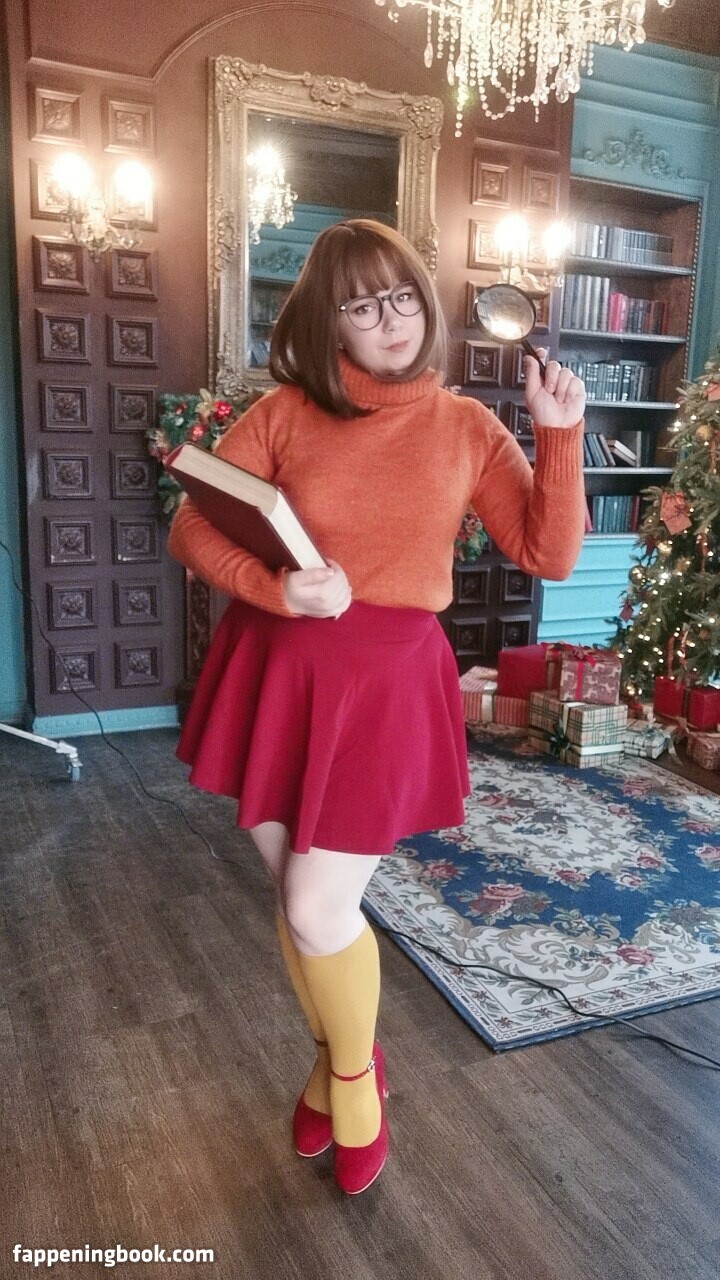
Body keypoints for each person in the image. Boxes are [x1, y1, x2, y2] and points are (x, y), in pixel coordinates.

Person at [167, 219, 587, 1196]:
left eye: (400, 296)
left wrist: (559, 433)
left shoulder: (465, 427)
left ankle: (352, 1084)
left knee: (317, 905)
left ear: (424, 304)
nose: (389, 318)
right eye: (360, 304)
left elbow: (549, 552)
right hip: (275, 667)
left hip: (385, 684)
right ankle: (341, 1054)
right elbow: (192, 523)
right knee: (300, 900)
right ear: (329, 322)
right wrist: (275, 588)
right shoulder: (283, 412)